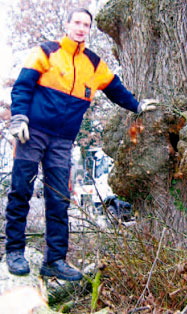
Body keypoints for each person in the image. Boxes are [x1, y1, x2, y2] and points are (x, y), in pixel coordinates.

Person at [6, 8, 157, 281]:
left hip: (63, 142)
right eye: (76, 22)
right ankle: (14, 251)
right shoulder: (46, 52)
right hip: (33, 133)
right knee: (20, 191)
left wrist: (136, 105)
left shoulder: (94, 64)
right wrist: (18, 118)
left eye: (85, 24)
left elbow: (115, 88)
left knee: (59, 199)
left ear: (88, 30)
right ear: (67, 25)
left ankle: (54, 260)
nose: (80, 28)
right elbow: (23, 86)